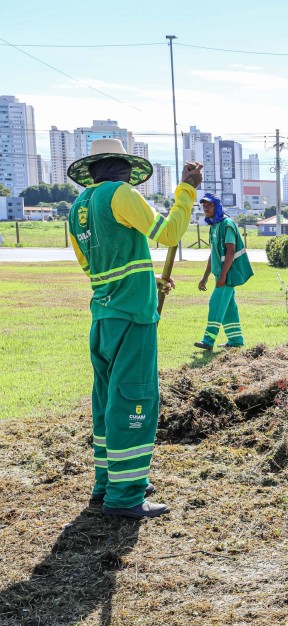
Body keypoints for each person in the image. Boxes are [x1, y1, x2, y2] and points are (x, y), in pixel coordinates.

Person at [68, 138, 202, 518]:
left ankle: (107, 482)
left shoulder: (78, 208)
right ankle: (126, 495)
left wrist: (149, 282)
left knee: (107, 401)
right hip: (133, 319)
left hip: (104, 318)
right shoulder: (120, 194)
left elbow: (95, 268)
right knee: (134, 401)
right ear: (121, 168)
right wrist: (186, 190)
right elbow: (169, 234)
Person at [195, 193, 253, 350]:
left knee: (215, 303)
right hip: (221, 274)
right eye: (204, 206)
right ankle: (236, 340)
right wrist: (205, 278)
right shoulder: (214, 226)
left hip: (228, 274)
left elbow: (231, 250)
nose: (206, 208)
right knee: (229, 308)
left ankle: (208, 340)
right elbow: (213, 254)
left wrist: (223, 276)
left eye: (210, 205)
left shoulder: (227, 224)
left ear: (218, 207)